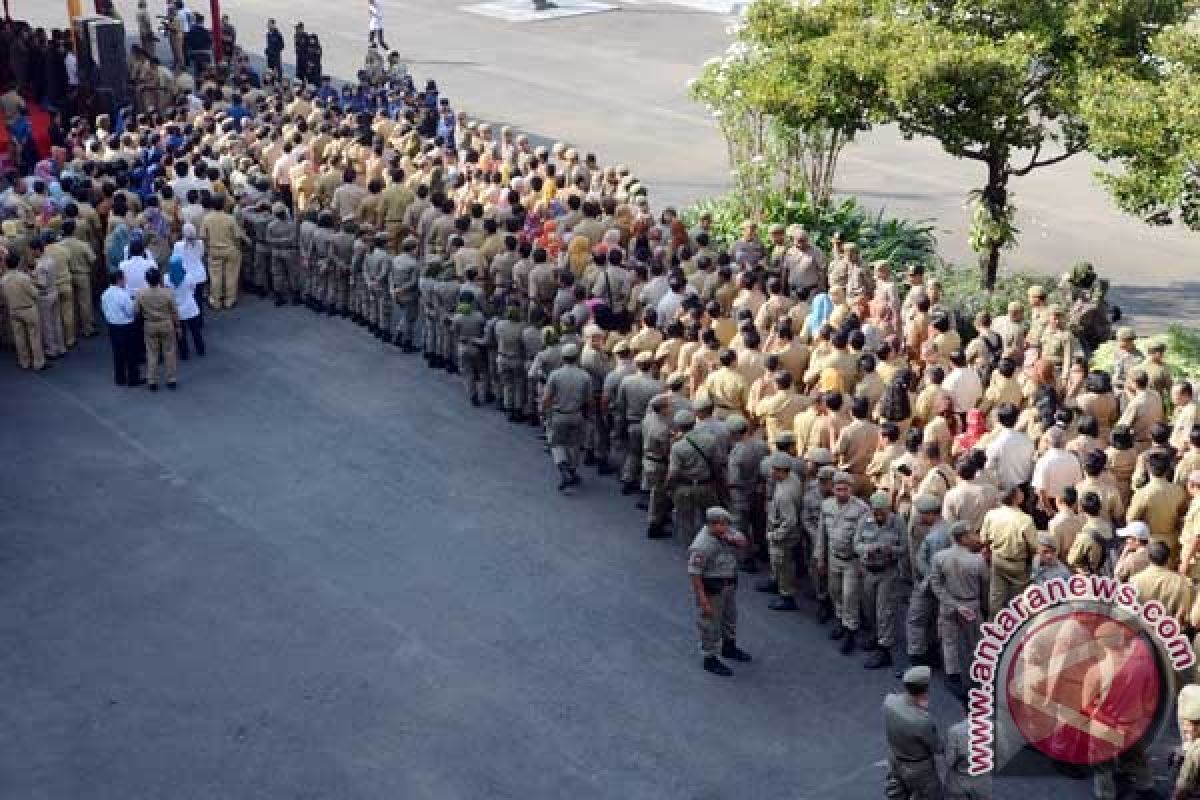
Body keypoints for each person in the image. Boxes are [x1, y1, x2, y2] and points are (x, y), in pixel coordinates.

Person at [687, 506, 750, 676]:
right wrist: (703, 600)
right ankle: (710, 657)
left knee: (730, 618)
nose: (726, 527)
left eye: (726, 524)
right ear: (712, 525)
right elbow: (695, 574)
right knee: (709, 624)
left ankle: (729, 647)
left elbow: (743, 542)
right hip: (713, 589)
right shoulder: (702, 545)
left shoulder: (725, 533)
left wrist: (733, 538)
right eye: (722, 525)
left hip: (728, 585)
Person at [883, 666, 942, 800]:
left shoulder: (889, 701)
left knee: (896, 793)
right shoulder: (922, 721)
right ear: (925, 689)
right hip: (918, 767)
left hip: (895, 758)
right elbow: (936, 747)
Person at [542, 342, 593, 490]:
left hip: (558, 415)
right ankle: (572, 470)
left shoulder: (555, 375)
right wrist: (589, 415)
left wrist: (544, 412)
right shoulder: (584, 376)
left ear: (563, 357)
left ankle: (563, 467)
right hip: (576, 415)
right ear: (576, 357)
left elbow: (547, 398)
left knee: (556, 443)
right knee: (574, 444)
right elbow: (589, 400)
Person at [134, 267, 180, 391]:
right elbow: (174, 311)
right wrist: (178, 326)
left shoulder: (140, 293)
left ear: (147, 280)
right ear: (159, 278)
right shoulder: (167, 293)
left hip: (150, 325)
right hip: (166, 324)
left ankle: (152, 380)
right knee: (169, 352)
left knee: (152, 353)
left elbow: (136, 311)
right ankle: (171, 379)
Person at [0, 251, 46, 371]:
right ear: (18, 263)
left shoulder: (3, 280)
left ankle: (24, 361)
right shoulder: (24, 278)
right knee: (34, 336)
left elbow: (4, 296)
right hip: (28, 309)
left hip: (13, 310)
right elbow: (34, 293)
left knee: (19, 337)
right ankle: (38, 362)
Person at [101, 269, 140, 386]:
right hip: (126, 327)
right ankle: (133, 378)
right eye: (124, 278)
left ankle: (120, 378)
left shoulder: (105, 294)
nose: (126, 280)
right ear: (119, 280)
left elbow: (104, 310)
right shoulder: (123, 295)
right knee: (131, 354)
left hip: (112, 326)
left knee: (117, 353)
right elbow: (130, 312)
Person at [166, 255, 203, 359]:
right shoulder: (189, 277)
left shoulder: (166, 278)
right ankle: (200, 349)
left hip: (177, 310)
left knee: (180, 333)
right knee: (195, 331)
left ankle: (184, 353)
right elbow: (193, 289)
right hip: (191, 308)